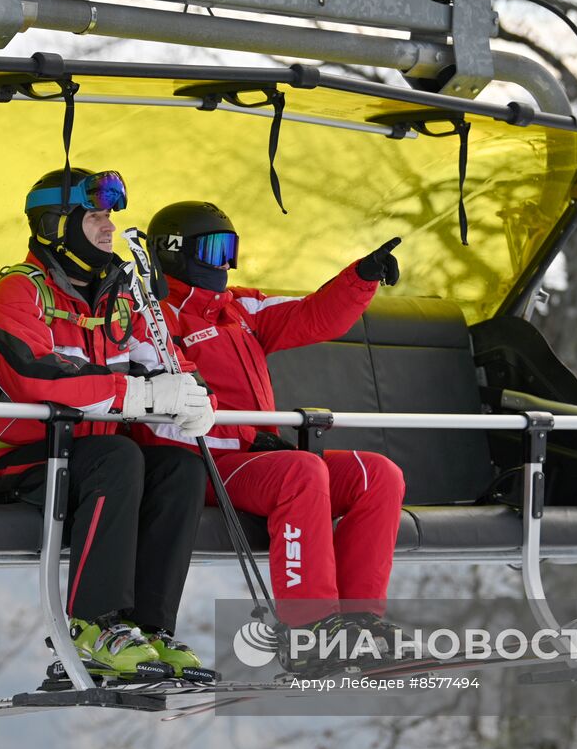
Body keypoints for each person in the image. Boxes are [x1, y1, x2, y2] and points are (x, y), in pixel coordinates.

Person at [0, 168, 217, 680]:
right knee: (119, 458)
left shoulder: (120, 299)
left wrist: (191, 393)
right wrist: (137, 394)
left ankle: (146, 628)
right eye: (94, 216)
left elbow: (163, 358)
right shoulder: (18, 294)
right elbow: (37, 378)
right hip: (8, 462)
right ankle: (90, 626)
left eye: (110, 217)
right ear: (57, 225)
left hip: (84, 459)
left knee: (179, 468)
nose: (108, 227)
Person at [146, 201, 407, 667]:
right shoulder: (154, 316)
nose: (224, 263)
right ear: (175, 252)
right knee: (300, 472)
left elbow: (311, 316)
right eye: (212, 249)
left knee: (377, 474)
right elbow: (163, 410)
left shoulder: (238, 308)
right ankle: (308, 630)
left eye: (231, 249)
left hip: (257, 458)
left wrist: (360, 278)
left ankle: (359, 621)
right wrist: (248, 435)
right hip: (200, 462)